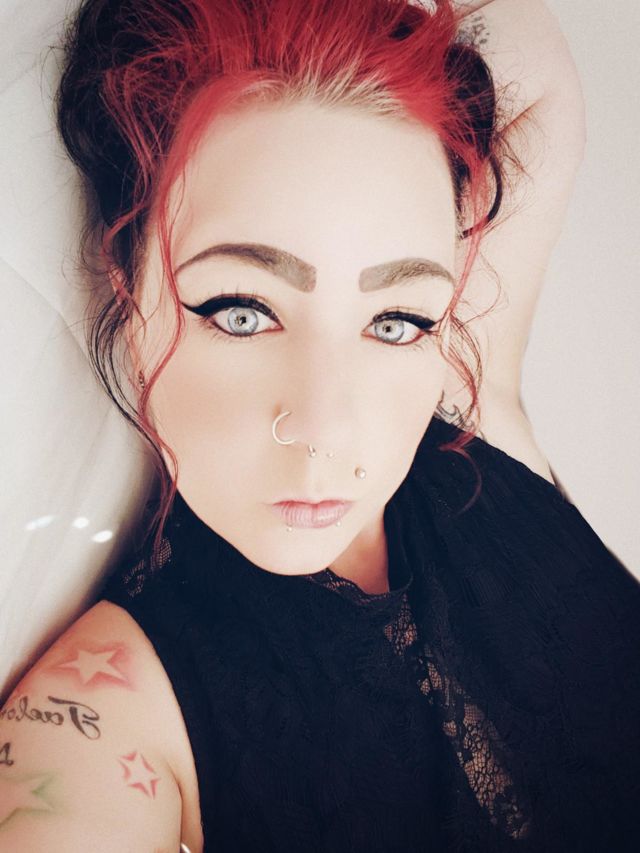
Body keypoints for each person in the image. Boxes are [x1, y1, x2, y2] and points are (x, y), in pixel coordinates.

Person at [1, 0, 638, 850]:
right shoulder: (104, 716)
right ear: (124, 280)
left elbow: (526, 40)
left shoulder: (474, 408)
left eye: (397, 320)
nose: (326, 427)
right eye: (240, 311)